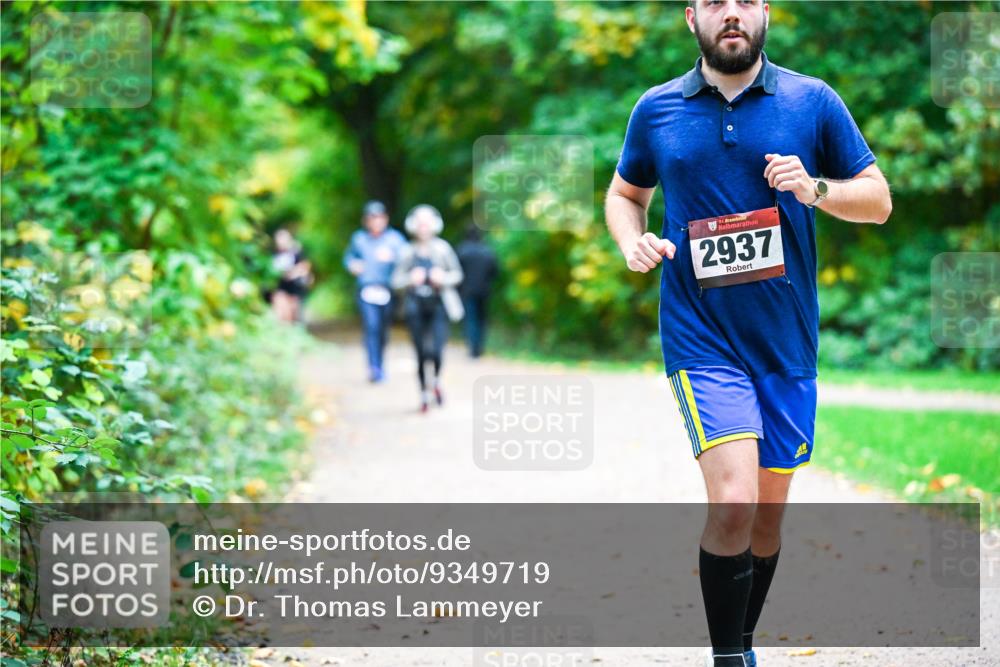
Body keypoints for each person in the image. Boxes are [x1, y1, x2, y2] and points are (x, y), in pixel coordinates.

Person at [604, 2, 892, 666]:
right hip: (699, 334)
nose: (729, 12)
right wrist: (631, 241)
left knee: (765, 515)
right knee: (733, 501)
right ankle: (729, 657)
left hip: (785, 342)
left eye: (743, 0)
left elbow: (877, 200)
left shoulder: (811, 101)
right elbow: (625, 194)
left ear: (763, 12)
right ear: (692, 18)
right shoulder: (658, 109)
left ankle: (743, 637)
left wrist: (816, 187)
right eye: (713, 2)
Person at [391, 205, 464, 413]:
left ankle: (437, 382)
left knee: (437, 351)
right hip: (414, 307)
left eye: (428, 223)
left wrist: (442, 278)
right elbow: (395, 281)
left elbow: (457, 275)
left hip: (439, 305)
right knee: (421, 352)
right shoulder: (406, 251)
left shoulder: (443, 249)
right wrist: (410, 280)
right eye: (420, 223)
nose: (424, 228)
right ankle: (424, 392)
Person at [344, 200, 409, 383]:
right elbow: (348, 258)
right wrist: (352, 265)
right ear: (366, 221)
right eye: (372, 218)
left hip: (387, 290)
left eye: (379, 218)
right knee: (371, 326)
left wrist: (393, 258)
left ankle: (380, 364)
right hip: (366, 290)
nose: (376, 222)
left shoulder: (395, 240)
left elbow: (407, 260)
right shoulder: (359, 239)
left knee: (382, 330)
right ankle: (373, 367)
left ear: (385, 219)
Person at [455, 224, 498, 358]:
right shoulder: (488, 251)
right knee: (482, 319)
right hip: (485, 291)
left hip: (467, 291)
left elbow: (456, 272)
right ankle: (479, 347)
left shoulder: (462, 250)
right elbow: (495, 272)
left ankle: (473, 348)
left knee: (471, 319)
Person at [271, 228, 312, 323]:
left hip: (295, 286)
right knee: (282, 313)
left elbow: (305, 266)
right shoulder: (273, 254)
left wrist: (293, 273)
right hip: (280, 286)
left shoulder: (296, 251)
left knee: (294, 314)